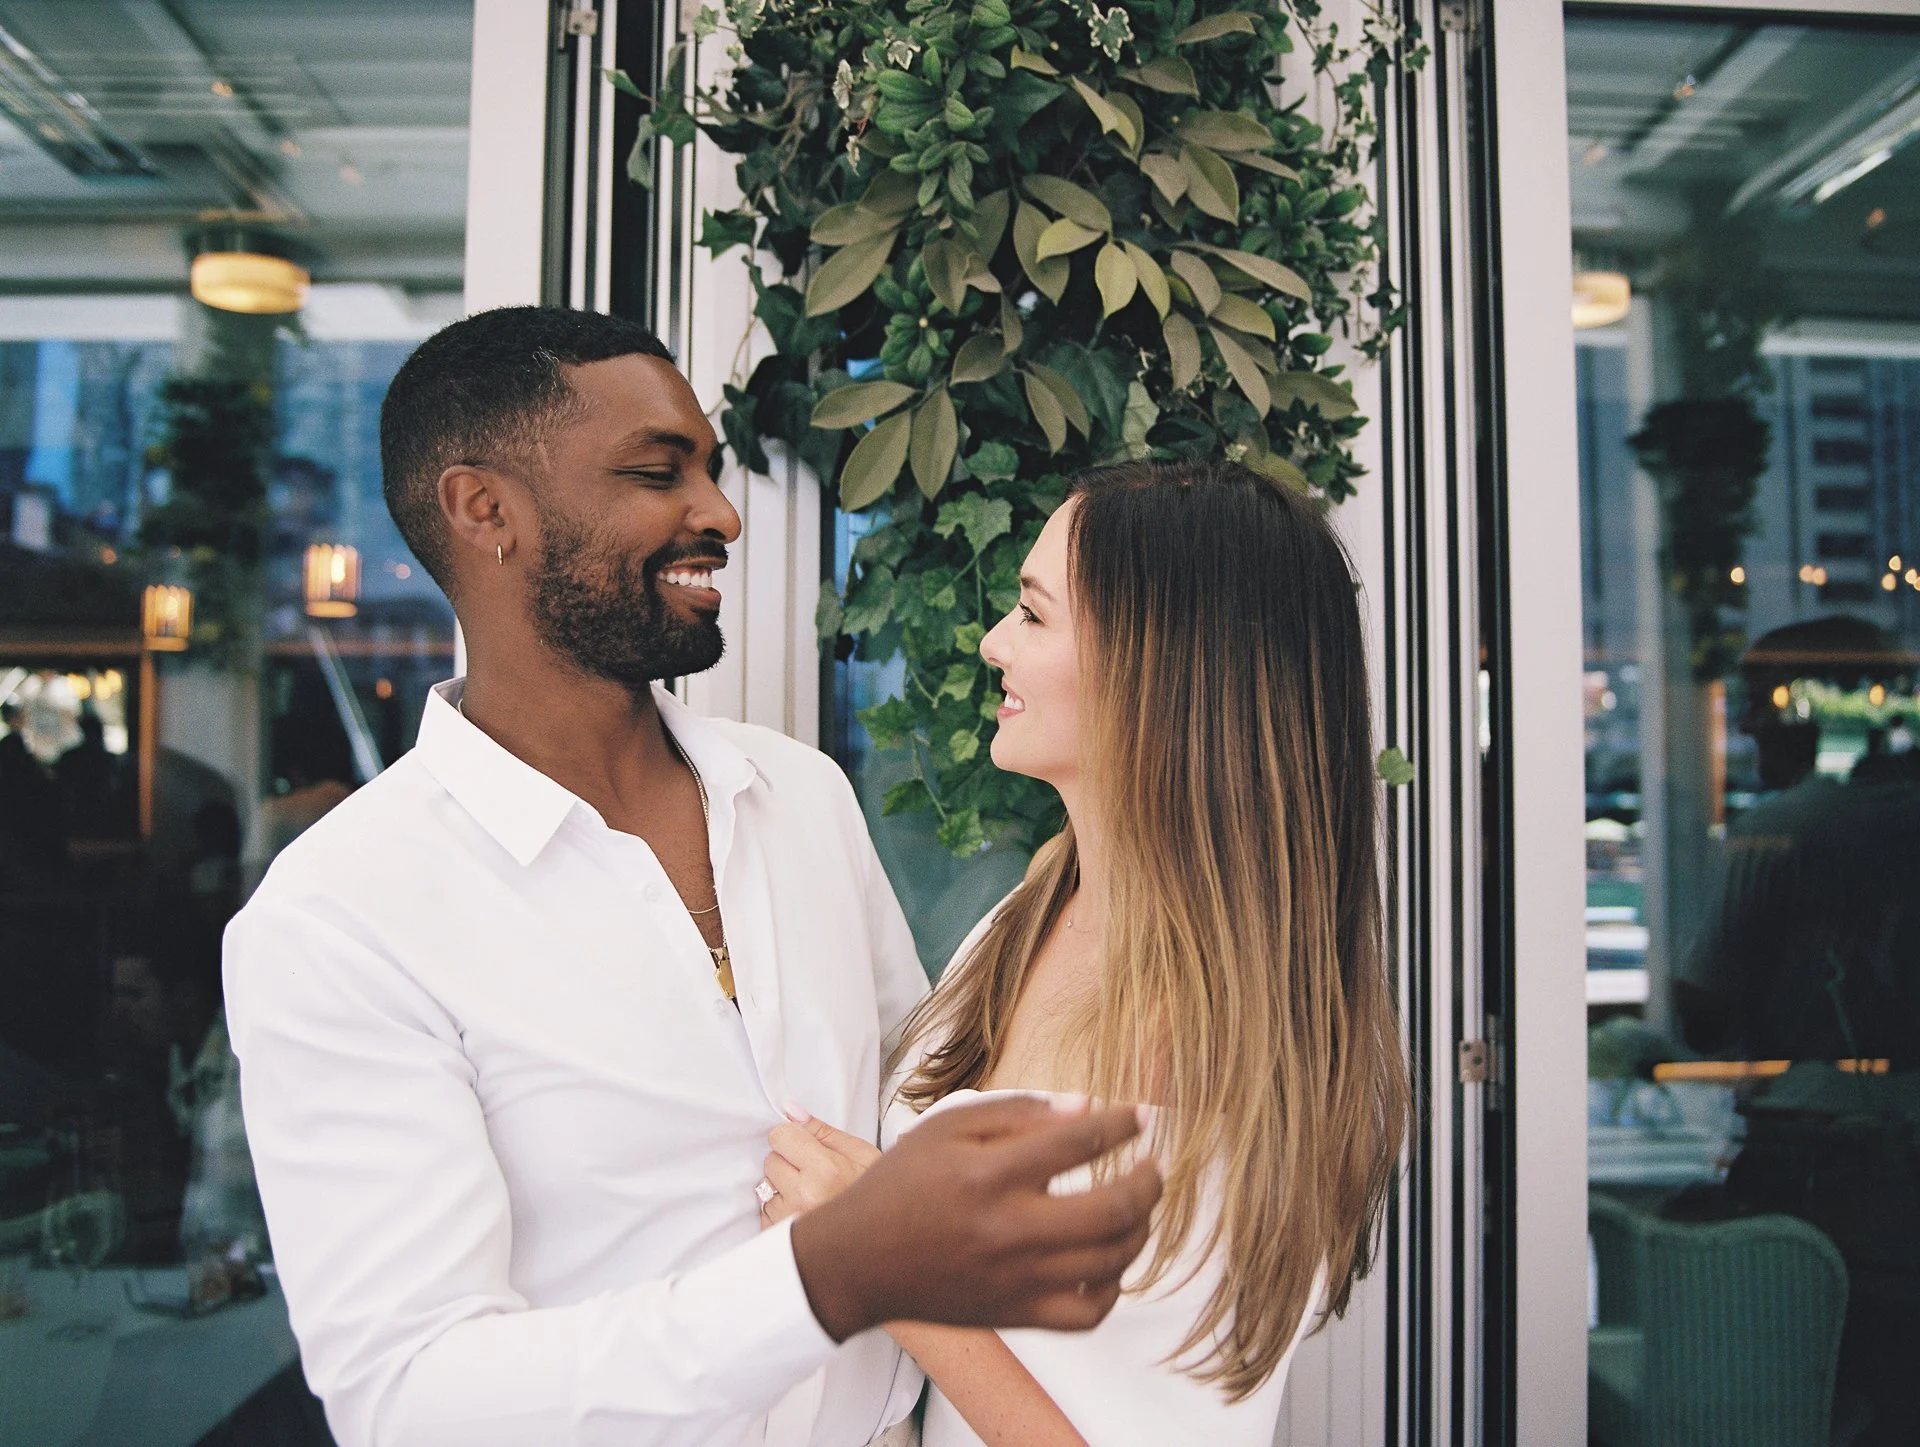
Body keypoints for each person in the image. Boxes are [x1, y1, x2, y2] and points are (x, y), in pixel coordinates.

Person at [221, 306, 1162, 1447]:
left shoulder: (801, 797)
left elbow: (913, 1118)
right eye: (656, 472)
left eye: (709, 469)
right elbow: (416, 1397)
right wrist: (828, 1274)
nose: (717, 513)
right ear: (486, 511)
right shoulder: (342, 915)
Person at [761, 460, 1410, 1445]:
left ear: (1157, 663)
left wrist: (872, 1255)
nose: (991, 643)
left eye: (1033, 613)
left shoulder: (1208, 1032)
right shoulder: (1033, 908)